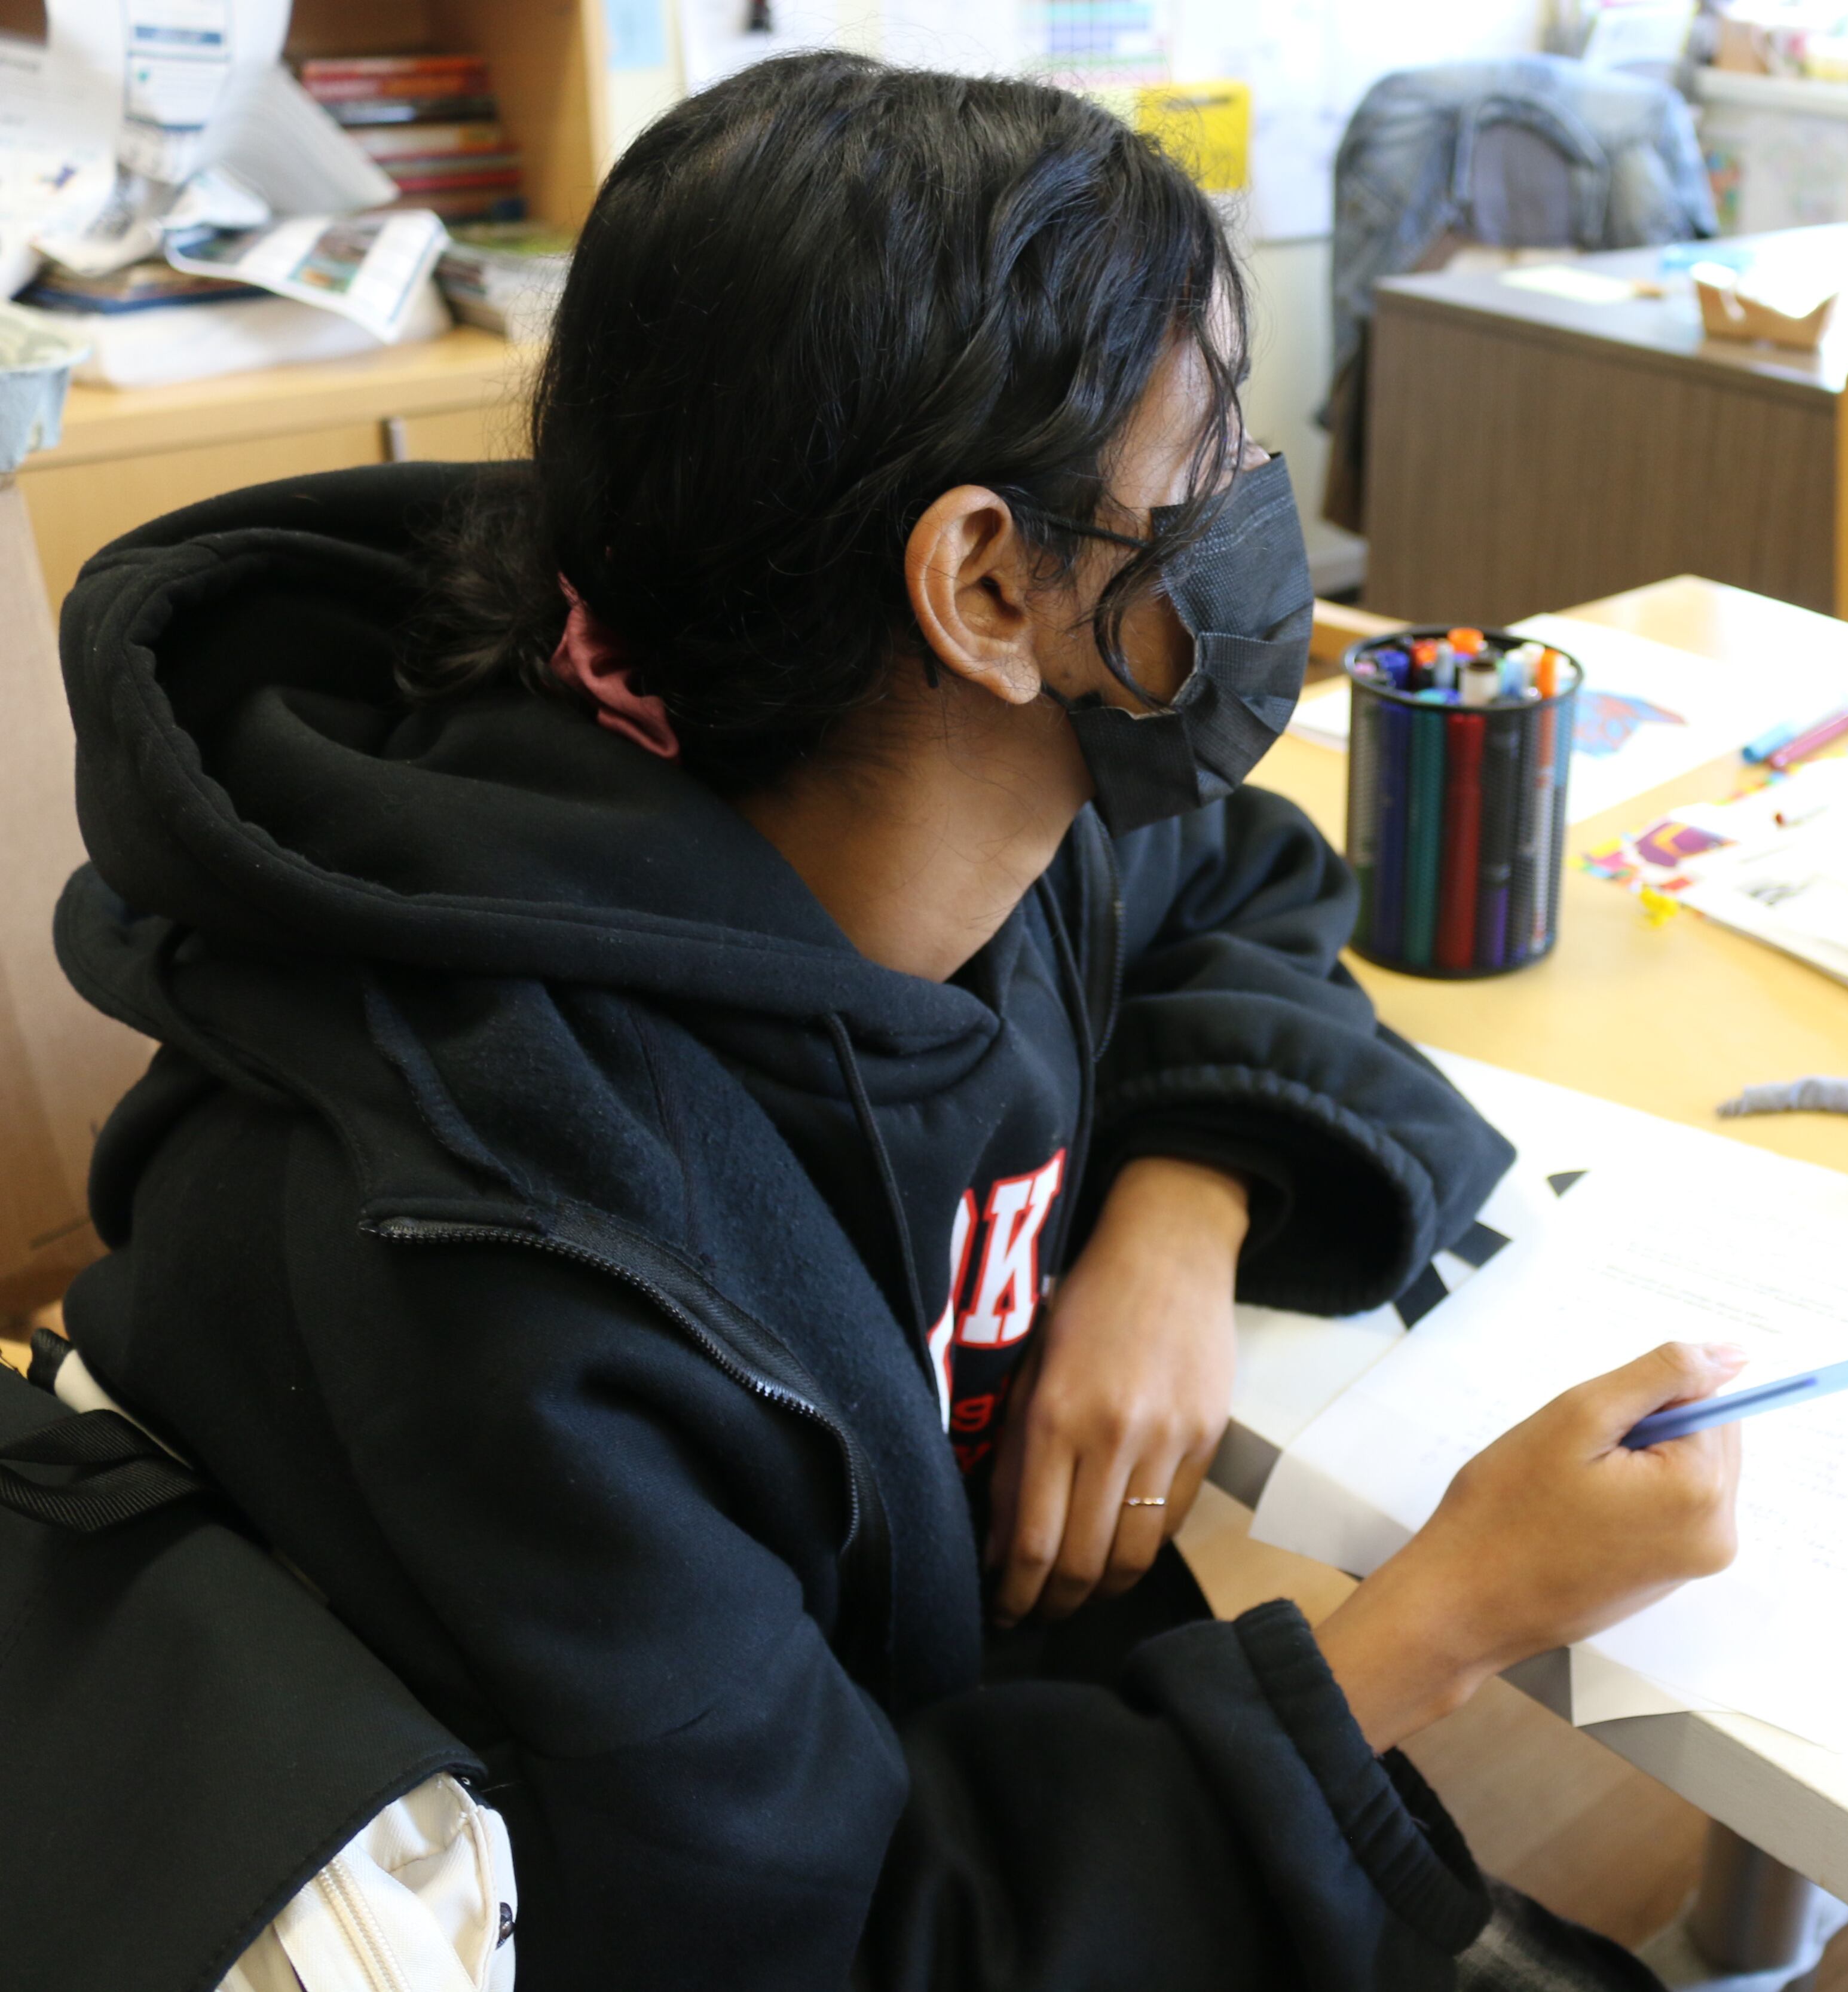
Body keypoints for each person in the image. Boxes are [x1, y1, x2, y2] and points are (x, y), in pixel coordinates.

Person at [50, 54, 1739, 1992]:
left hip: (978, 1733)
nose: (1248, 517)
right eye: (1204, 472)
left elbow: (1246, 881)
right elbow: (818, 1941)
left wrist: (1180, 1212)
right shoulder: (503, 1269)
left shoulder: (934, 800)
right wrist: (1446, 1616)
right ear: (986, 582)